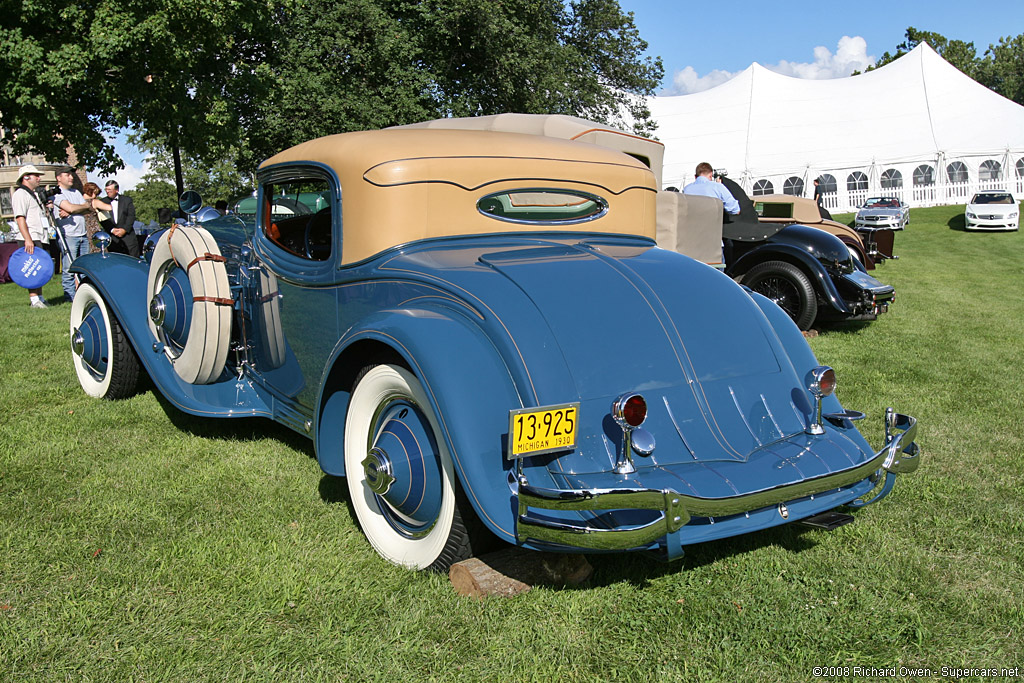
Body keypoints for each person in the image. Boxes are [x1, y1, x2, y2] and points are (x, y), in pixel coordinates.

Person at [11, 164, 52, 308]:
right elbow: (20, 217)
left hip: (40, 236)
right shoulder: (20, 194)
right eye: (36, 175)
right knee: (32, 268)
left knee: (40, 268)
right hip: (30, 236)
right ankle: (34, 299)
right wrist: (27, 239)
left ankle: (40, 297)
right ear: (26, 177)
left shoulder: (34, 194)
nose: (39, 178)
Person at [52, 167, 90, 301]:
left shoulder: (76, 192)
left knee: (85, 266)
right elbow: (72, 207)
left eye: (71, 174)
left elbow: (88, 208)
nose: (71, 177)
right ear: (58, 178)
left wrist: (72, 210)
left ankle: (85, 293)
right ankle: (70, 297)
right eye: (67, 174)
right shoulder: (57, 194)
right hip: (68, 235)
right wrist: (74, 208)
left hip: (82, 234)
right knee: (69, 268)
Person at [94, 180, 139, 256]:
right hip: (112, 238)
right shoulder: (102, 202)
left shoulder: (127, 200)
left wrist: (124, 230)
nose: (107, 192)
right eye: (106, 190)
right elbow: (102, 219)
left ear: (117, 190)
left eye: (110, 190)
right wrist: (112, 230)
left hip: (128, 237)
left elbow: (131, 216)